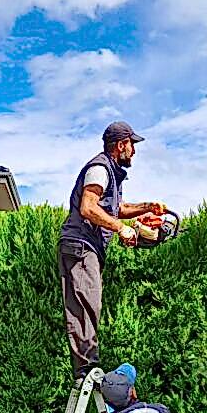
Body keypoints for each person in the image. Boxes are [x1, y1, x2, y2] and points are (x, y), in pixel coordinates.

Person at [58, 122, 167, 382]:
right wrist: (120, 228)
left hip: (87, 246)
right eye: (132, 145)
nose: (134, 151)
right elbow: (88, 207)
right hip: (81, 245)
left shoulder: (111, 173)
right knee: (86, 304)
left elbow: (117, 208)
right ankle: (86, 371)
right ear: (121, 145)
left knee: (89, 302)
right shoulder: (99, 169)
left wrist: (147, 207)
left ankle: (87, 367)